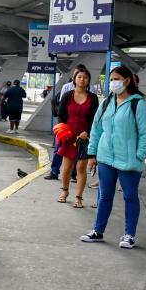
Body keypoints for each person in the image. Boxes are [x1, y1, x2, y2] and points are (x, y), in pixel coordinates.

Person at [80, 66, 146, 249]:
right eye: (111, 79)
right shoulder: (106, 103)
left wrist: (139, 156)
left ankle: (129, 235)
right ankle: (98, 231)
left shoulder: (140, 105)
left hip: (129, 160)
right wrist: (92, 153)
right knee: (104, 195)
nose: (112, 82)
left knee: (130, 196)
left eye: (116, 79)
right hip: (105, 158)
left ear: (127, 81)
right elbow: (96, 129)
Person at [56, 67, 99, 208]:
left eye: (85, 77)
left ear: (88, 81)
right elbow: (61, 115)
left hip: (84, 137)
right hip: (68, 135)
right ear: (74, 79)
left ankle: (78, 197)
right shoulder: (68, 95)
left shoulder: (92, 98)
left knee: (81, 167)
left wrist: (87, 131)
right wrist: (63, 130)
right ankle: (65, 191)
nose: (82, 79)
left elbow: (95, 118)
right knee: (67, 167)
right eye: (79, 77)